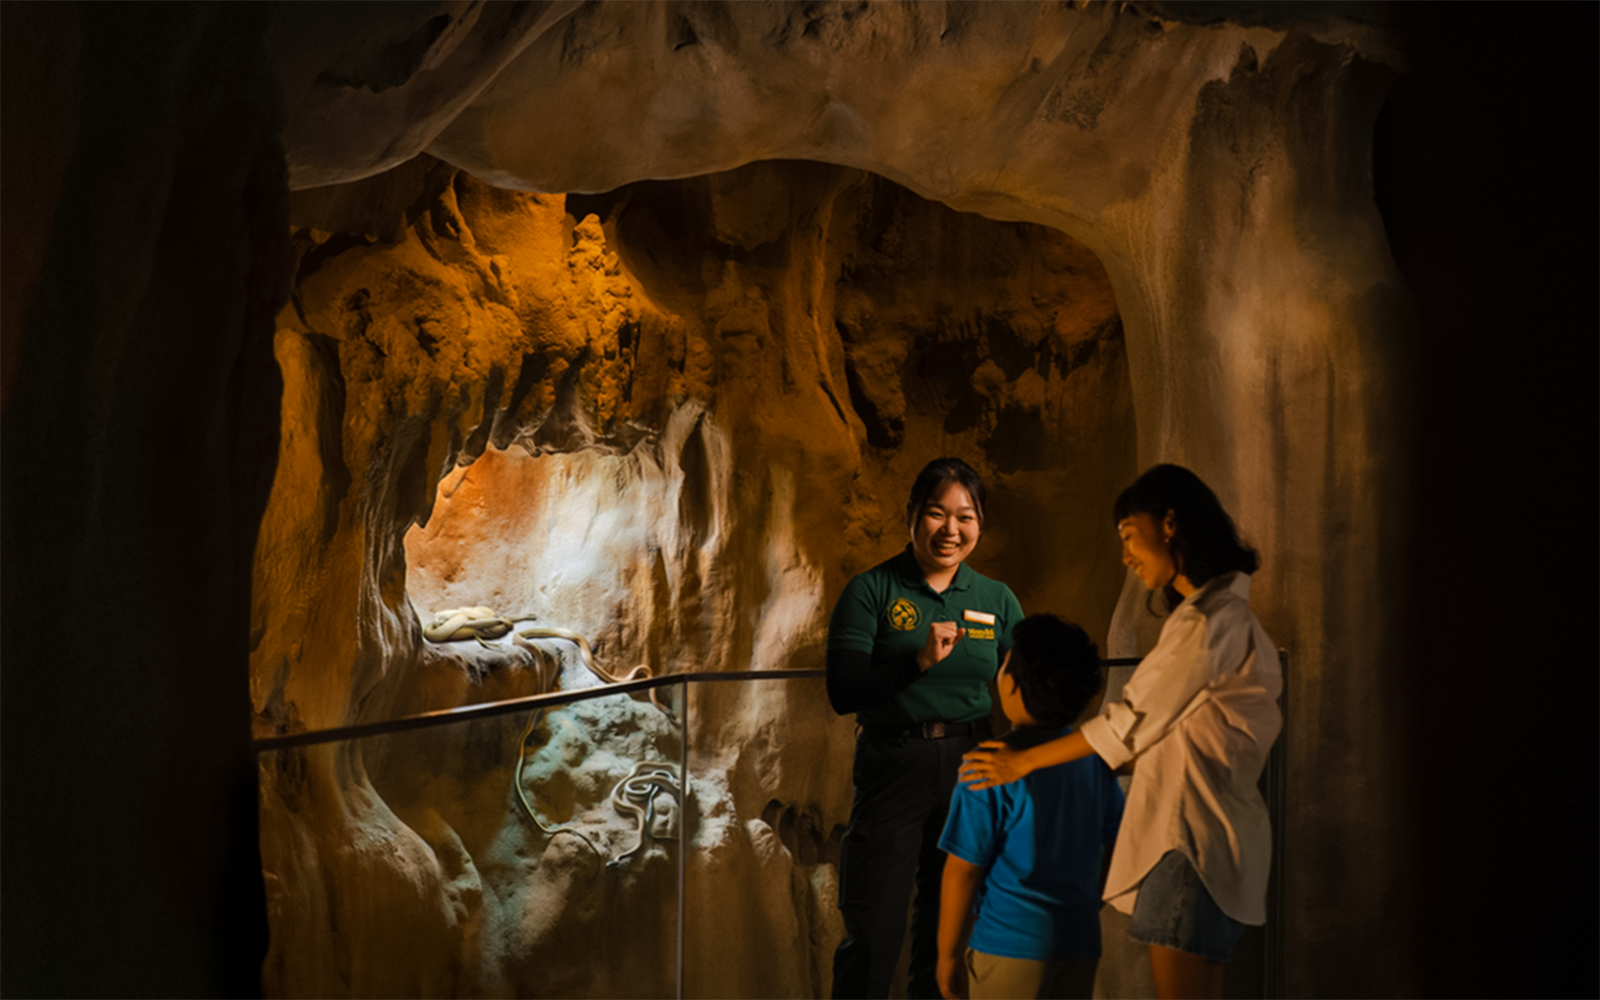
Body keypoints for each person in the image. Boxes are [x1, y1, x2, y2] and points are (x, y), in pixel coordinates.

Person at [959, 464, 1281, 1000]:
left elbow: (1128, 724)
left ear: (1170, 524)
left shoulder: (1206, 624)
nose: (1126, 556)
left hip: (1185, 847)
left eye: (1131, 537)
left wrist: (1023, 761)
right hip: (1213, 844)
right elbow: (1166, 737)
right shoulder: (1223, 619)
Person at [827, 458, 1025, 1000]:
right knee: (873, 932)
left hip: (972, 764)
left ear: (980, 523)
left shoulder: (997, 599)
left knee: (949, 938)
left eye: (965, 516)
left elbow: (1029, 684)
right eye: (937, 514)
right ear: (912, 515)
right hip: (895, 763)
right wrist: (914, 663)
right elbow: (843, 692)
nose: (951, 530)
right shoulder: (871, 591)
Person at [935, 615, 1124, 1000]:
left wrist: (947, 955)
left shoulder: (988, 765)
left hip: (1007, 944)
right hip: (1080, 943)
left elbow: (962, 871)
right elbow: (1113, 848)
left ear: (1013, 686)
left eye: (1005, 664)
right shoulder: (1093, 760)